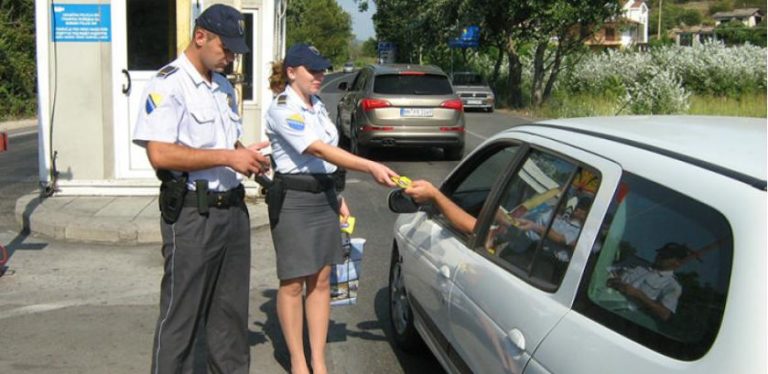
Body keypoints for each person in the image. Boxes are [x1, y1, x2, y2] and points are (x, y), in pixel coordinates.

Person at [132, 5, 270, 373]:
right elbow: (160, 153)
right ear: (200, 37)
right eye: (227, 48)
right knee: (181, 319)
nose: (232, 57)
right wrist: (228, 156)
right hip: (194, 214)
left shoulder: (221, 85)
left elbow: (223, 142)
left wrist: (245, 154)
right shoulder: (168, 82)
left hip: (232, 213)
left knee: (230, 322)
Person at [265, 43, 398, 374]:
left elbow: (325, 164)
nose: (320, 75)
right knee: (294, 281)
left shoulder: (318, 105)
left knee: (321, 280)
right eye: (313, 70)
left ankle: (319, 361)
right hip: (294, 200)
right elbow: (319, 151)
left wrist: (336, 195)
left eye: (322, 69)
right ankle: (298, 361)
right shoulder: (283, 108)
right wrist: (369, 166)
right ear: (292, 71)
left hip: (323, 197)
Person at [607, 242, 690, 321]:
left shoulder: (672, 285)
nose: (660, 256)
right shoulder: (634, 262)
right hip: (604, 301)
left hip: (626, 316)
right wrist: (612, 280)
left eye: (666, 256)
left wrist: (639, 295)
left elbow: (665, 314)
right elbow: (607, 270)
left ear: (677, 263)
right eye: (661, 253)